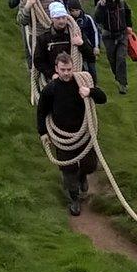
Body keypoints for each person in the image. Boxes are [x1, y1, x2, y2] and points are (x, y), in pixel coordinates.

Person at [36, 52, 108, 216]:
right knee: (68, 170)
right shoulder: (50, 90)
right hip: (63, 138)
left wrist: (90, 92)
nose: (66, 73)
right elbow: (41, 111)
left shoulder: (81, 84)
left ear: (73, 67)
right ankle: (74, 199)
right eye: (63, 69)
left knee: (90, 165)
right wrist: (43, 133)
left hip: (83, 134)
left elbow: (103, 98)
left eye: (69, 69)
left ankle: (82, 175)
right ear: (57, 69)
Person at [33, 1, 93, 83]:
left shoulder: (76, 34)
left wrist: (81, 44)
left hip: (75, 79)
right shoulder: (44, 39)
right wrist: (52, 74)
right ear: (52, 19)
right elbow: (38, 61)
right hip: (55, 79)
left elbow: (91, 57)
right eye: (58, 18)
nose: (61, 21)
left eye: (63, 18)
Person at [93, 0, 133, 94]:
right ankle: (118, 76)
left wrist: (129, 26)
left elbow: (128, 13)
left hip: (122, 35)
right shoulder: (102, 5)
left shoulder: (121, 2)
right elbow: (97, 19)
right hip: (108, 37)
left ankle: (123, 84)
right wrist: (100, 7)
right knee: (112, 59)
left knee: (121, 58)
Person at [68, 0, 100, 83]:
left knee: (92, 69)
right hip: (77, 50)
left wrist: (96, 46)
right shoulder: (69, 21)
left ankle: (94, 85)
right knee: (83, 69)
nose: (75, 13)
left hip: (89, 48)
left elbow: (95, 32)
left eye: (77, 10)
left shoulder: (87, 19)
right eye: (72, 11)